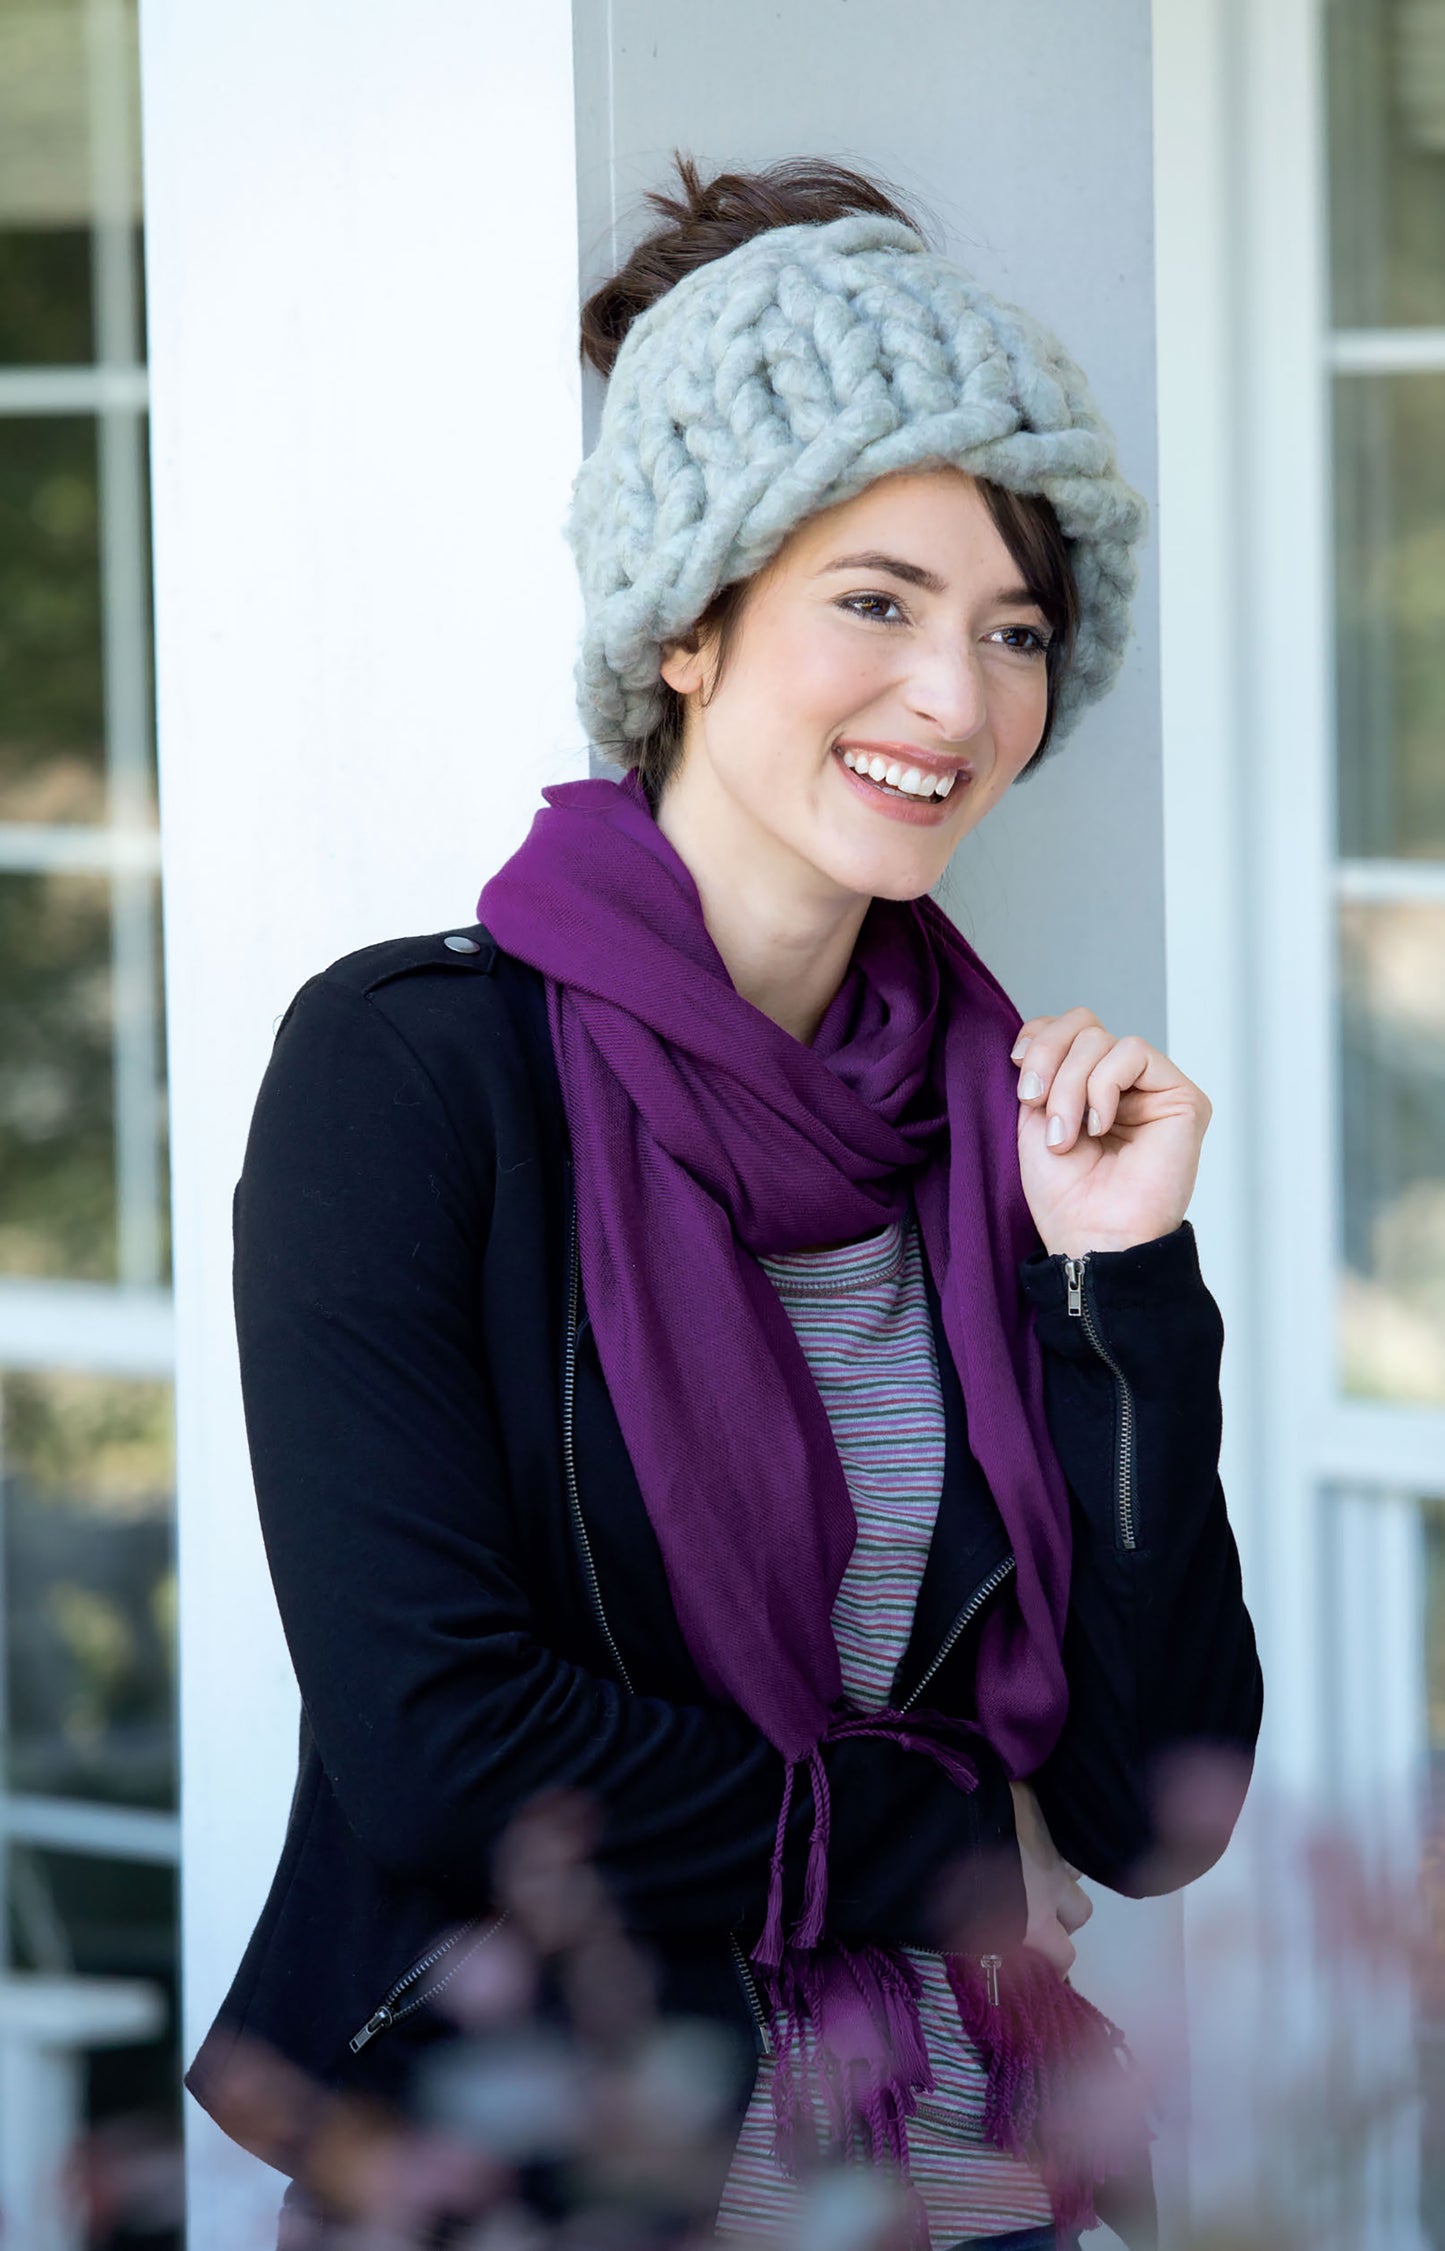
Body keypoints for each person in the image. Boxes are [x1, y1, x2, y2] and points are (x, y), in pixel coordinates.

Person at [185, 156, 1263, 2251]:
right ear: (686, 625)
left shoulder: (1006, 1126)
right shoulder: (416, 1078)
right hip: (560, 2193)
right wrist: (938, 1829)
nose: (957, 701)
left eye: (1015, 630)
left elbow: (1153, 1805)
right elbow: (441, 1741)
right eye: (876, 601)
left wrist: (1127, 1285)